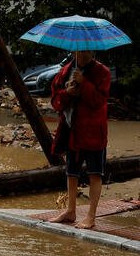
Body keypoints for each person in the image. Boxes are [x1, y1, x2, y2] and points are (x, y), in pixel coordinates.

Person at [47, 50, 111, 229]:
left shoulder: (102, 72)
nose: (82, 55)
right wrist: (67, 93)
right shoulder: (66, 71)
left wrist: (84, 84)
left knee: (95, 173)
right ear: (74, 51)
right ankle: (71, 210)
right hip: (72, 128)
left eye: (86, 51)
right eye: (79, 51)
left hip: (93, 132)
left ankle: (91, 216)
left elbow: (99, 100)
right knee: (71, 172)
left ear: (93, 51)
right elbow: (55, 100)